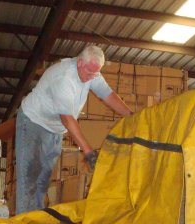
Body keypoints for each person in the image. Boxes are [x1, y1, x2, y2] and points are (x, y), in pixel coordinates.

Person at [15, 45, 133, 214]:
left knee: (42, 181)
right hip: (33, 122)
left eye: (95, 73)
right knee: (29, 180)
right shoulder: (64, 77)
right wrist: (88, 151)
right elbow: (67, 118)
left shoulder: (91, 72)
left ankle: (32, 222)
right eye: (90, 73)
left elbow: (108, 94)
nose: (92, 77)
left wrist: (131, 116)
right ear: (79, 63)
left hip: (54, 129)